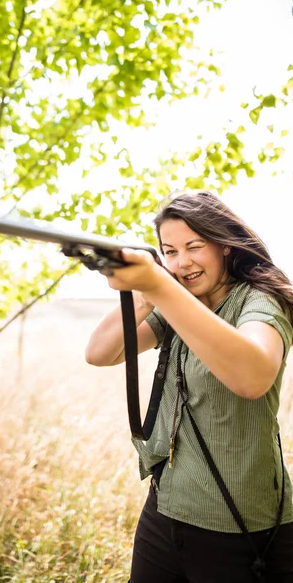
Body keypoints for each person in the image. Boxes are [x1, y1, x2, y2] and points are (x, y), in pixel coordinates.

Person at [85, 191, 293, 583]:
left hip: (239, 525)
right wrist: (148, 294)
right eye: (170, 251)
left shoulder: (261, 301)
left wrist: (162, 288)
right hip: (165, 508)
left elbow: (252, 376)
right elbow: (100, 352)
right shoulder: (177, 301)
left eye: (194, 247)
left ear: (226, 246)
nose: (182, 263)